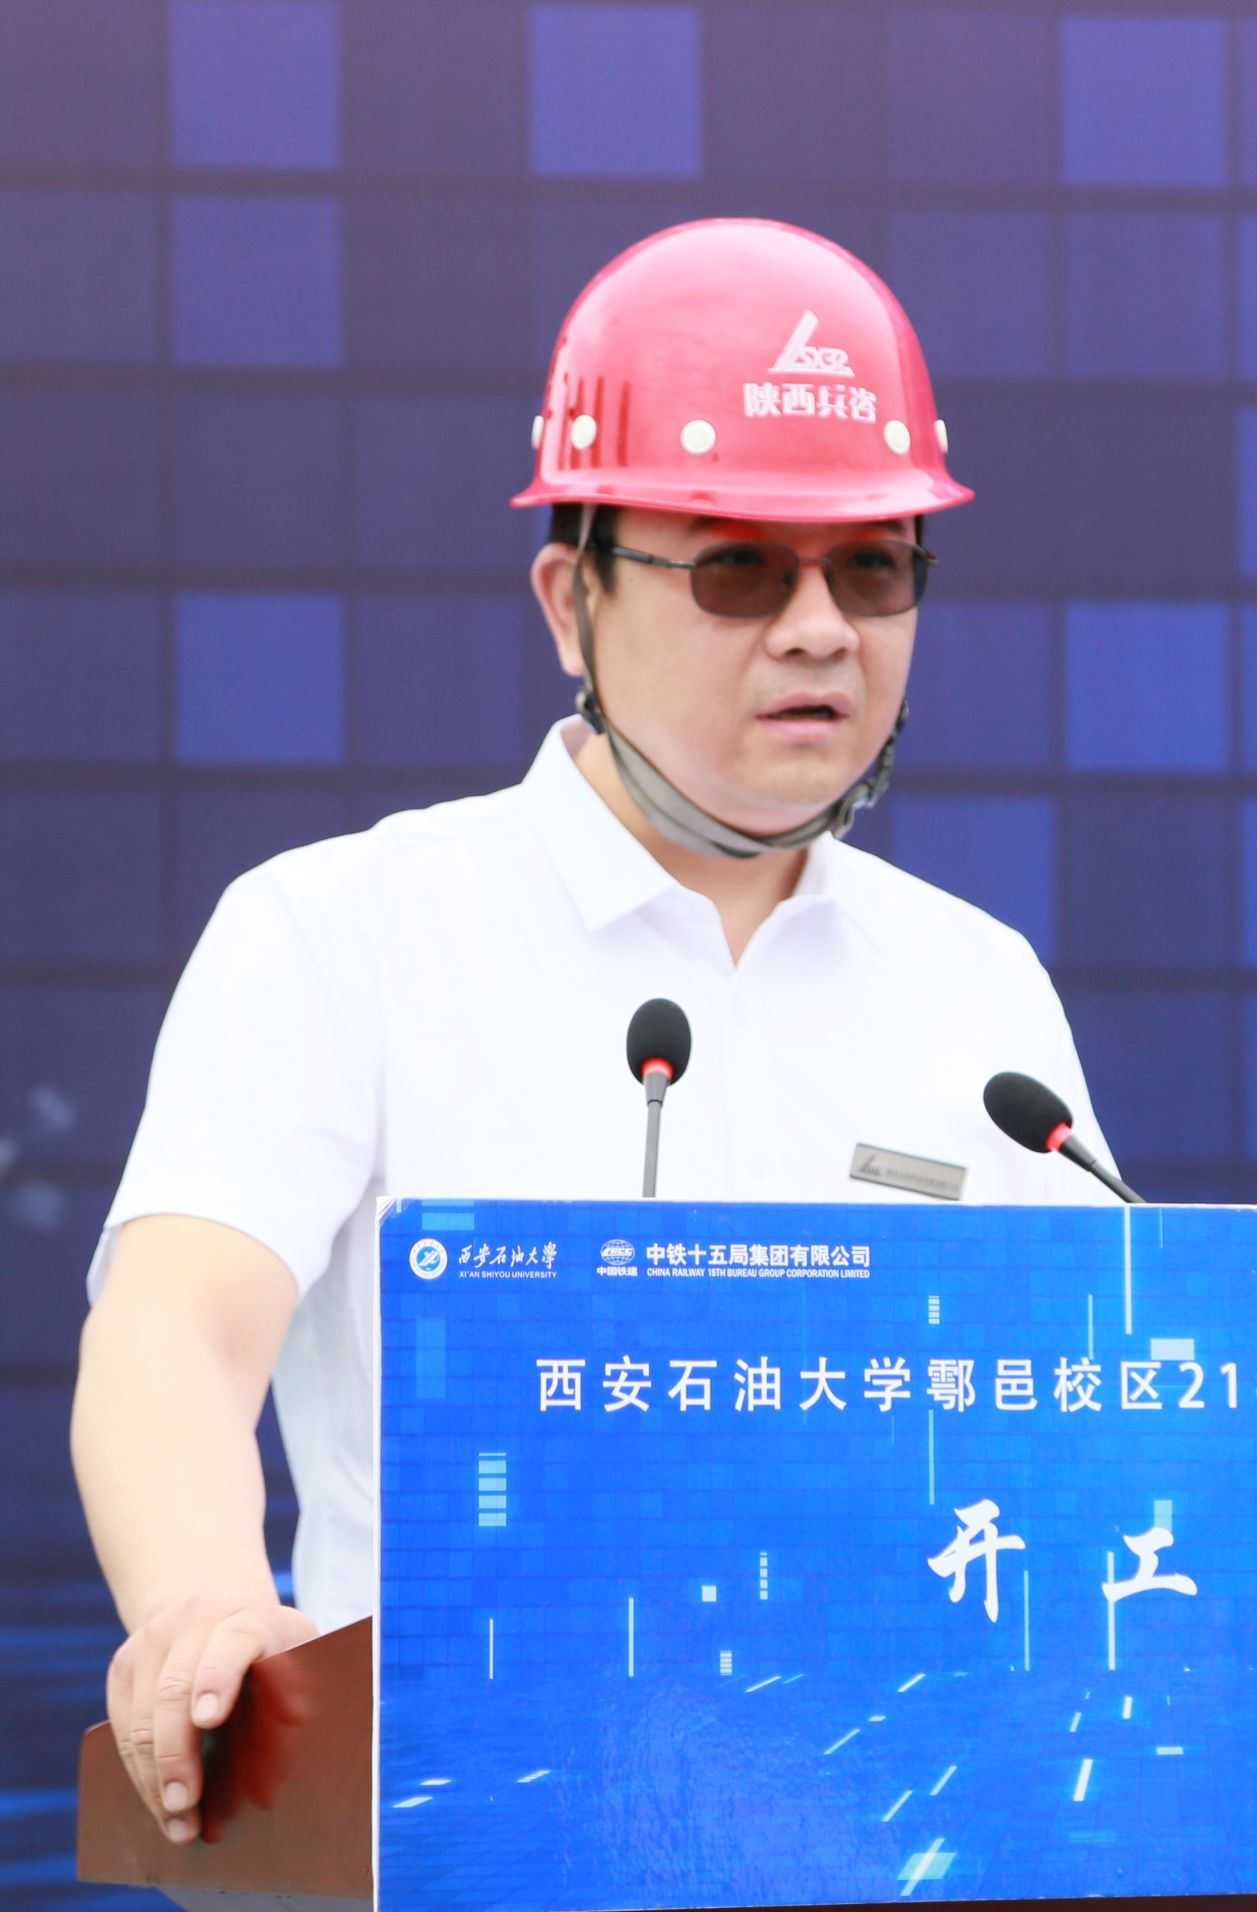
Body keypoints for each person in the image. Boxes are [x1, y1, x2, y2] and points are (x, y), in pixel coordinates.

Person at [71, 219, 1119, 1845]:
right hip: (467, 1822)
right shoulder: (340, 930)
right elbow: (178, 1332)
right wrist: (206, 1610)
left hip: (903, 1828)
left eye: (874, 566)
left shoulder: (979, 990)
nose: (821, 628)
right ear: (572, 601)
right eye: (739, 568)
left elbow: (1099, 1403)